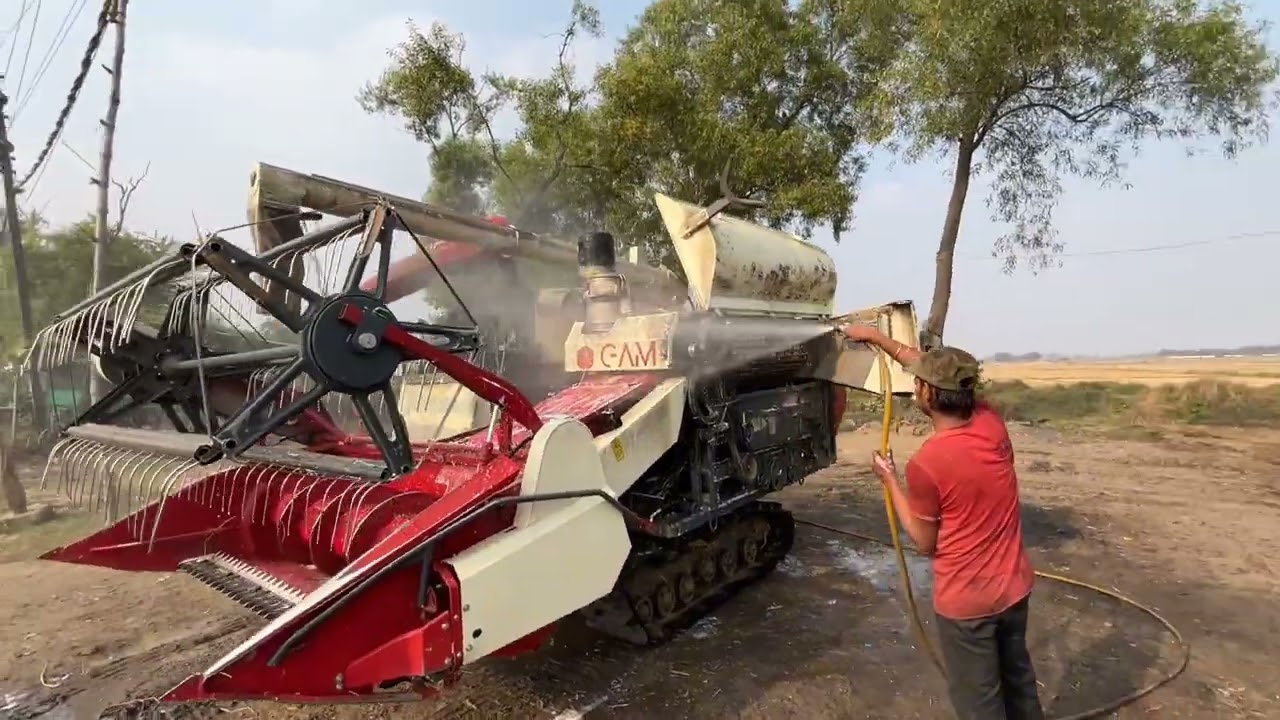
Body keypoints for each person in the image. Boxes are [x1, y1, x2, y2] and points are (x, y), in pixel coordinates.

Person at [841, 323, 1045, 720]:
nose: (915, 383)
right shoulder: (990, 422)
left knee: (980, 703)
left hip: (968, 606)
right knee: (1019, 684)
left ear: (927, 394)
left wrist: (890, 481)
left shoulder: (928, 464)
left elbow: (923, 542)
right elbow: (934, 369)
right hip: (1015, 589)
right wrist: (878, 338)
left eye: (919, 382)